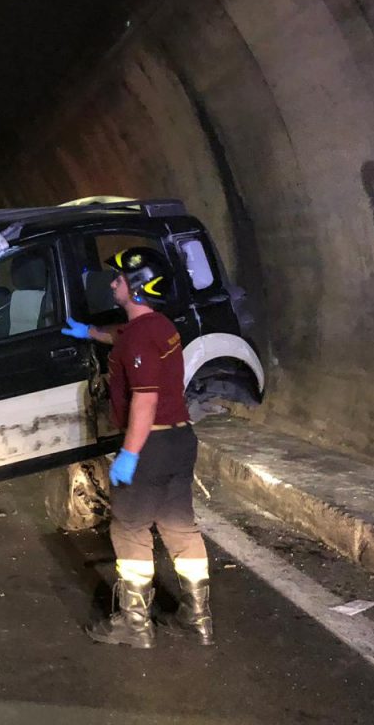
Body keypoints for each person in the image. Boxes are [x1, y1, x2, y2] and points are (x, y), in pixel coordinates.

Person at [61, 247, 214, 648]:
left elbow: (144, 400)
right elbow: (121, 337)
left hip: (152, 443)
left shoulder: (140, 338)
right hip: (180, 440)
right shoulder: (159, 326)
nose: (113, 283)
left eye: (119, 279)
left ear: (138, 287)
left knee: (130, 528)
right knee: (179, 526)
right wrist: (89, 333)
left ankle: (135, 624)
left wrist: (129, 454)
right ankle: (197, 619)